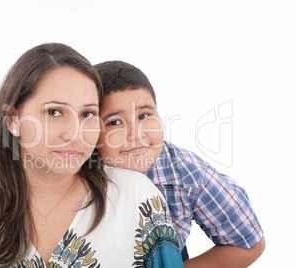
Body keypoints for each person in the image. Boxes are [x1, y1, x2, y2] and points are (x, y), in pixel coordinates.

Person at [0, 43, 184, 268]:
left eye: (87, 114)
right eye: (54, 112)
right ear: (14, 119)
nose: (74, 134)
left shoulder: (136, 197)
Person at [94, 60, 265, 267]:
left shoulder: (187, 173)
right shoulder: (75, 170)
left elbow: (247, 243)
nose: (135, 134)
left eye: (144, 116)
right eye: (114, 122)